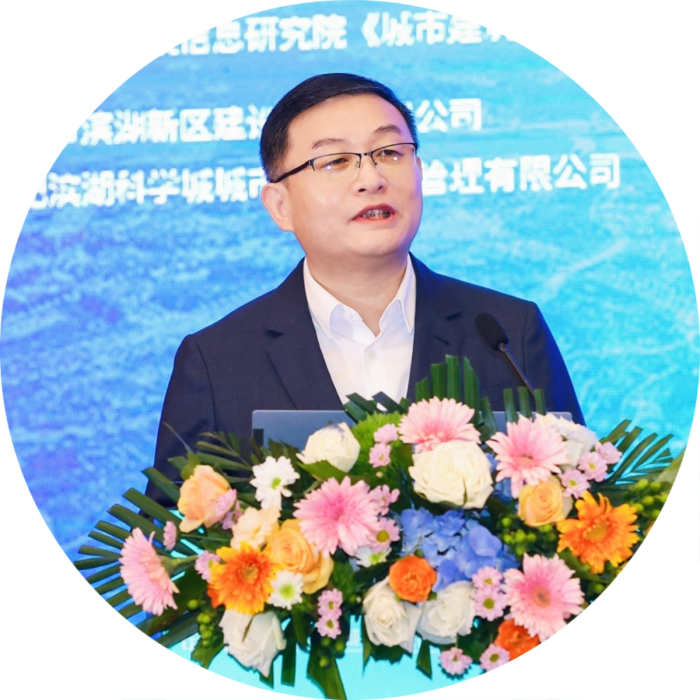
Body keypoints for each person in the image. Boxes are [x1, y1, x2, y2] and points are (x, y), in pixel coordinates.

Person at [145, 73, 584, 509]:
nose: (371, 178)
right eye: (335, 161)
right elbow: (175, 538)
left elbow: (578, 501)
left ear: (419, 173)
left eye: (389, 152)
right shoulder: (218, 362)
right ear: (280, 205)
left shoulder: (506, 334)